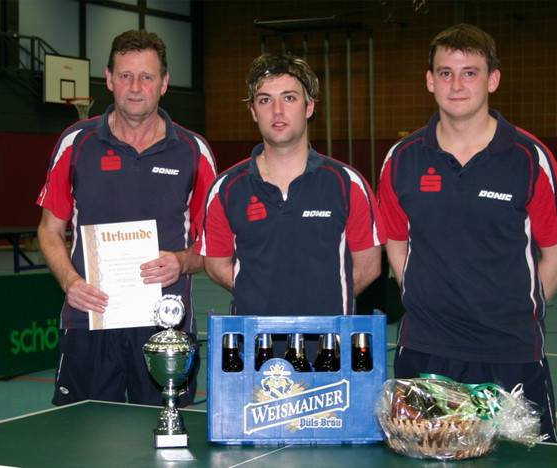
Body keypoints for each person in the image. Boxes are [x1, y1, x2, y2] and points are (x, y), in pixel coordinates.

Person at [377, 24, 557, 442]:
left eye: (470, 72)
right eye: (445, 73)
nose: (457, 85)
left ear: (493, 79)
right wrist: (425, 300)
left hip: (511, 354)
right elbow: (396, 245)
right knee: (424, 459)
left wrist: (512, 312)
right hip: (426, 351)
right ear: (430, 80)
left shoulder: (530, 158)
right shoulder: (401, 159)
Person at [36, 30, 217, 406]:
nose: (135, 87)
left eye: (147, 77)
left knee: (165, 434)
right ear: (108, 79)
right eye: (125, 76)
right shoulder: (75, 143)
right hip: (89, 319)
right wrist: (70, 282)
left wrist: (181, 262)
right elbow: (49, 230)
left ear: (164, 83)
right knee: (81, 433)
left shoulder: (193, 151)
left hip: (165, 324)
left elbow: (213, 245)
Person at [196, 53, 385, 354]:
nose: (277, 111)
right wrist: (263, 293)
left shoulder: (347, 184)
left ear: (309, 107)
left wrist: (323, 300)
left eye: (289, 98)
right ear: (253, 112)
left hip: (329, 350)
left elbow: (369, 266)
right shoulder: (226, 189)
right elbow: (216, 265)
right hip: (252, 351)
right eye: (265, 100)